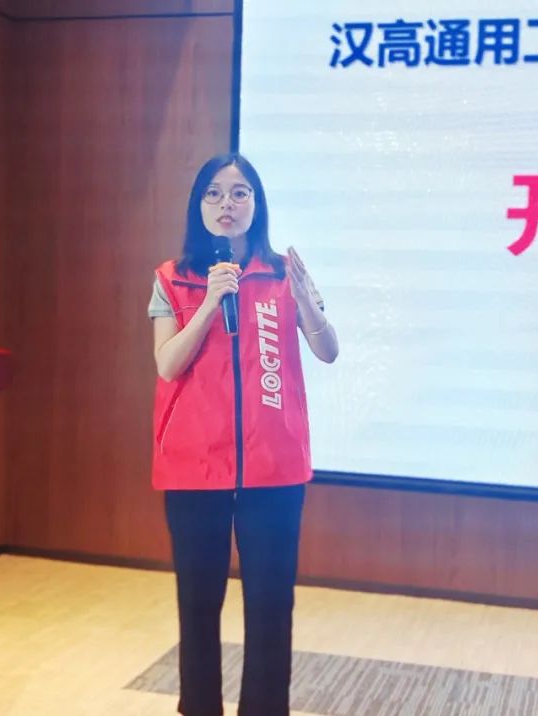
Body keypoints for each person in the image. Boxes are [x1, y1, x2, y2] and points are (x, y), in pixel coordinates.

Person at [148, 152, 338, 716]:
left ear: (257, 204)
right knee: (197, 605)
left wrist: (308, 305)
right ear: (197, 205)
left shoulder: (283, 273)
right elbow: (167, 365)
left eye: (239, 192)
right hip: (193, 467)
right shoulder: (172, 277)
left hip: (273, 467)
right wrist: (210, 301)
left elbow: (328, 351)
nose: (226, 204)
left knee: (271, 606)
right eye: (213, 193)